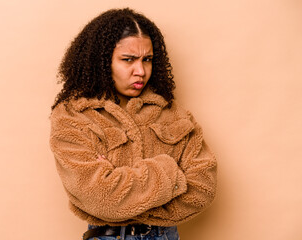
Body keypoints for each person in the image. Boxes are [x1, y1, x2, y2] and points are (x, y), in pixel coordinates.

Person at [49, 8, 217, 240]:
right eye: (128, 60)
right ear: (102, 61)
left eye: (147, 60)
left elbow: (203, 189)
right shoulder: (73, 115)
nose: (140, 71)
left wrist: (124, 193)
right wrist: (171, 172)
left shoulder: (172, 112)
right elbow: (100, 198)